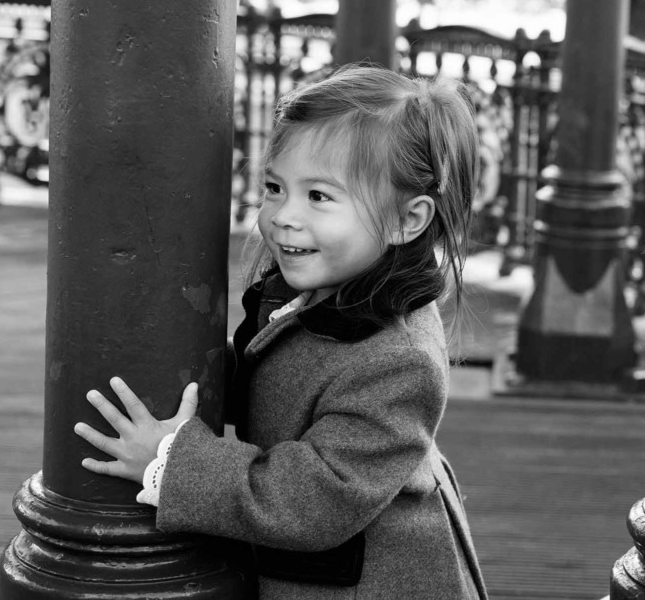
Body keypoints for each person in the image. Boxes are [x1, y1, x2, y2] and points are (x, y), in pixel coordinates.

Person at [73, 64, 489, 599]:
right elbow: (277, 372)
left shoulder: (399, 360)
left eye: (319, 196)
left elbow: (313, 503)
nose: (282, 216)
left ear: (406, 220)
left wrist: (171, 463)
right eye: (274, 187)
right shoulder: (330, 288)